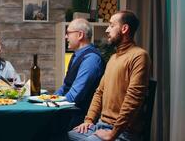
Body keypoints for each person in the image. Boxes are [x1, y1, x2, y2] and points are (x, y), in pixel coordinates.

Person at [68, 10, 151, 141]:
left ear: (124, 29)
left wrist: (113, 134)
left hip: (122, 132)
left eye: (112, 25)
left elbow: (133, 100)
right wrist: (88, 120)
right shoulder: (113, 58)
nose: (107, 30)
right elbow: (99, 92)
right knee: (65, 135)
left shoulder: (139, 56)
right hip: (101, 125)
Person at [55, 18, 105, 128]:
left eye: (68, 33)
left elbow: (74, 95)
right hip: (70, 111)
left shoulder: (91, 59)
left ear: (80, 35)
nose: (66, 37)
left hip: (79, 116)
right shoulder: (76, 55)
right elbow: (65, 86)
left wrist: (52, 105)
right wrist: (52, 98)